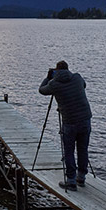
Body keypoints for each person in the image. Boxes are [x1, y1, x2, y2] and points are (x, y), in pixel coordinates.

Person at [38, 60, 91, 190]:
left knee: (69, 151)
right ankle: (81, 177)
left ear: (56, 70)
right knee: (83, 149)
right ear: (68, 69)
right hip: (85, 119)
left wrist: (48, 77)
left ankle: (71, 181)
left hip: (70, 122)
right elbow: (84, 85)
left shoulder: (54, 84)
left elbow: (41, 90)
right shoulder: (77, 77)